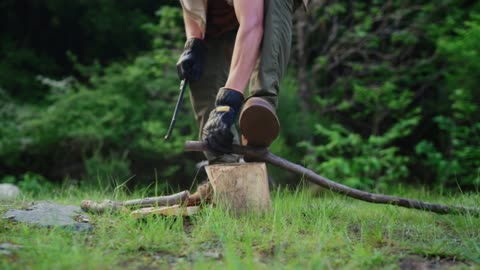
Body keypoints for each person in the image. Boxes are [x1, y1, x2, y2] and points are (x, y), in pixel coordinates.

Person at [177, 0, 308, 163]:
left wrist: (226, 105)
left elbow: (252, 25)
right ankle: (225, 163)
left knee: (275, 4)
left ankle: (260, 107)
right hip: (224, 14)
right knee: (202, 65)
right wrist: (194, 42)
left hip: (259, 10)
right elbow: (193, 9)